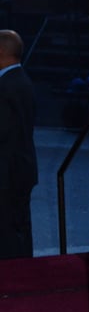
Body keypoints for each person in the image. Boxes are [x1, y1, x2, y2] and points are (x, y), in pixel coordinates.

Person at [0, 29, 38, 259]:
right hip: (20, 168)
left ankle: (14, 281)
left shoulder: (6, 87)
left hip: (7, 171)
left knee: (8, 231)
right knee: (19, 227)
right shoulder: (21, 80)